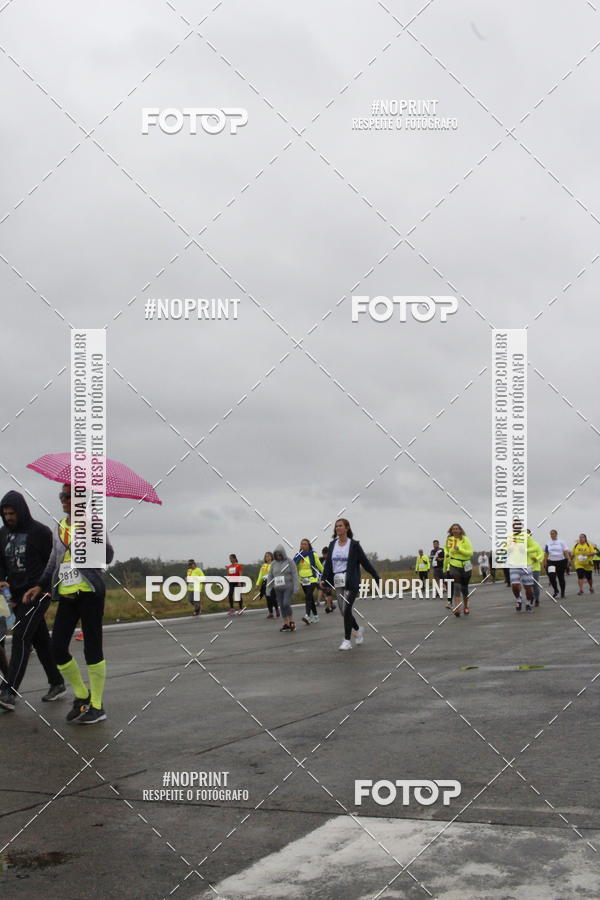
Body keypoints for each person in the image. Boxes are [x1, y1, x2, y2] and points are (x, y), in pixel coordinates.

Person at [22, 484, 113, 724]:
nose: (62, 500)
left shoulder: (93, 523)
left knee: (92, 649)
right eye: (61, 496)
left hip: (90, 593)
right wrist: (40, 586)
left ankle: (97, 706)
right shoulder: (60, 527)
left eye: (67, 496)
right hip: (67, 594)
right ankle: (82, 697)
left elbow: (108, 555)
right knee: (57, 649)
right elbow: (54, 561)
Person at [0, 491, 65, 711]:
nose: (8, 517)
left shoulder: (40, 532)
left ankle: (9, 691)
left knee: (20, 636)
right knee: (40, 641)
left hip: (39, 593)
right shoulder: (2, 534)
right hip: (16, 596)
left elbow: (54, 561)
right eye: (5, 513)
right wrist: (2, 581)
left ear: (21, 511)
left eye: (12, 513)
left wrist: (48, 588)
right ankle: (57, 682)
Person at [321, 518, 380, 651]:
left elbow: (365, 562)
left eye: (340, 526)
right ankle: (358, 630)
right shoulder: (332, 545)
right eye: (336, 526)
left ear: (347, 528)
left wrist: (375, 576)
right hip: (338, 581)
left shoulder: (353, 545)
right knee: (343, 612)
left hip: (351, 581)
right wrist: (324, 578)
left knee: (347, 609)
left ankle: (347, 640)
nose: (338, 528)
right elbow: (329, 564)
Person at [506, 521, 538, 612]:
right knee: (515, 585)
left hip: (526, 565)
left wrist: (526, 549)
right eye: (514, 525)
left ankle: (528, 603)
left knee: (528, 588)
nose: (516, 527)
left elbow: (534, 547)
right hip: (514, 565)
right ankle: (518, 599)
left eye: (518, 525)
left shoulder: (526, 537)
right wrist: (508, 549)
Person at [443, 524, 473, 616]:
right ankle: (457, 608)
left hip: (466, 564)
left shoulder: (465, 539)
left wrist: (459, 550)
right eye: (453, 529)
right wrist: (447, 554)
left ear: (460, 530)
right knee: (456, 587)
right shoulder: (449, 540)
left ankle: (466, 606)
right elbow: (446, 550)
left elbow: (470, 553)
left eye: (457, 529)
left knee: (464, 588)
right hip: (454, 564)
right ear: (451, 531)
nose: (455, 530)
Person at [270, 544, 300, 632]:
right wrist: (268, 588)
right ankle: (285, 624)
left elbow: (295, 574)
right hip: (278, 588)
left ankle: (291, 621)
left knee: (286, 603)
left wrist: (296, 587)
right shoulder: (273, 563)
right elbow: (270, 576)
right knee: (282, 606)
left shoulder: (290, 561)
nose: (278, 556)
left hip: (288, 586)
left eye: (280, 554)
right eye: (276, 555)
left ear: (283, 553)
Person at [295, 539, 324, 625]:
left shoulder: (313, 554)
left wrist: (326, 575)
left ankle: (307, 615)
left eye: (305, 544)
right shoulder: (298, 556)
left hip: (312, 579)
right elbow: (294, 566)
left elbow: (319, 566)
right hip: (303, 580)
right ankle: (315, 616)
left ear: (308, 546)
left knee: (308, 597)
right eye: (302, 544)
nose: (303, 545)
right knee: (310, 598)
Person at [543, 529, 570, 598]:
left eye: (553, 533)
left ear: (556, 534)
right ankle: (556, 590)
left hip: (561, 561)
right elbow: (546, 553)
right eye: (551, 534)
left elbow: (565, 551)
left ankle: (562, 592)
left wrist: (568, 559)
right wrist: (544, 561)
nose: (552, 535)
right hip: (551, 562)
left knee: (561, 577)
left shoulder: (561, 542)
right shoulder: (548, 543)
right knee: (551, 576)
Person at [256, 552, 279, 618]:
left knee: (273, 598)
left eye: (269, 556)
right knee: (268, 598)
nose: (267, 558)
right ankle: (270, 612)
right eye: (266, 556)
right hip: (265, 582)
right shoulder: (263, 566)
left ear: (271, 557)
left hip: (272, 582)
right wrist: (258, 583)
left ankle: (277, 609)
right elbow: (260, 575)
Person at [527, 529, 544, 608]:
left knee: (534, 585)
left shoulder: (536, 544)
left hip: (535, 568)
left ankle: (536, 599)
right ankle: (531, 598)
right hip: (525, 568)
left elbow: (541, 554)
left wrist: (536, 558)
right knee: (527, 586)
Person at [317, 546, 334, 612]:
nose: (324, 555)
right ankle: (330, 605)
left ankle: (329, 605)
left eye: (325, 554)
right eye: (323, 554)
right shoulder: (322, 559)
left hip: (329, 578)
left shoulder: (331, 559)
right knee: (327, 591)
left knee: (328, 591)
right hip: (323, 578)